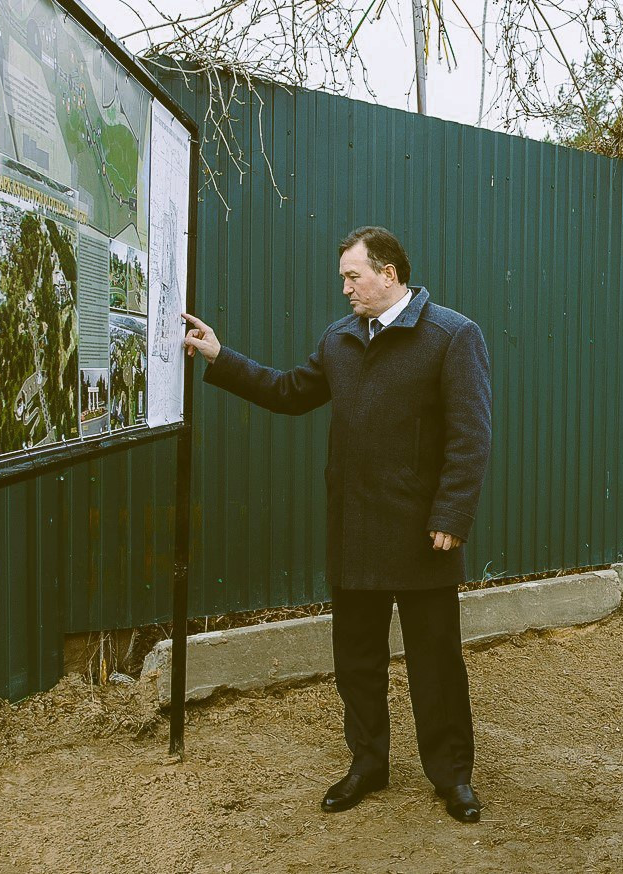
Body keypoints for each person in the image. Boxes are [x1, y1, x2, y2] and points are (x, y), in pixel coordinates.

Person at [182, 226, 492, 824]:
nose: (345, 288)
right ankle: (368, 764)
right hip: (354, 532)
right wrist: (220, 356)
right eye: (343, 279)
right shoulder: (341, 339)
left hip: (424, 534)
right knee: (356, 660)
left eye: (354, 277)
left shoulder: (452, 335)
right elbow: (290, 392)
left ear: (391, 273)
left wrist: (452, 515)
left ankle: (452, 777)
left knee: (436, 661)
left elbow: (470, 437)